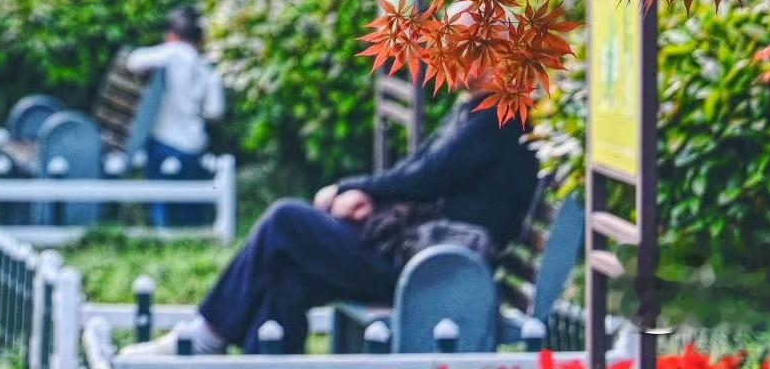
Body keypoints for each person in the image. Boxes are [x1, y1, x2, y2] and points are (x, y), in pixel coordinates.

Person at [164, 96, 540, 354]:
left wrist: (350, 188)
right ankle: (235, 346)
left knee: (286, 220)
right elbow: (417, 173)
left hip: (431, 275)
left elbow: (426, 179)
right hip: (417, 259)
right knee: (288, 276)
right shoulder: (477, 110)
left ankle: (209, 335)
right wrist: (369, 196)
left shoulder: (499, 117)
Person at [119, 8, 226, 227]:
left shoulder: (172, 53)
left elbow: (134, 60)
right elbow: (215, 111)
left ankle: (164, 236)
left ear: (174, 35)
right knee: (190, 202)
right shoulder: (207, 67)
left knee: (162, 199)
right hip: (193, 144)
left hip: (163, 140)